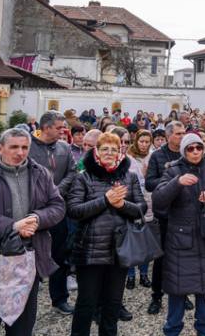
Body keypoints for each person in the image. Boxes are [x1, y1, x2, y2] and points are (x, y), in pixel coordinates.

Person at [153, 132, 205, 336]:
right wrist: (178, 182)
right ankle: (172, 328)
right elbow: (158, 201)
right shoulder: (173, 170)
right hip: (181, 238)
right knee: (177, 288)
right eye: (190, 148)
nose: (196, 151)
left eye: (199, 147)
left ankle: (204, 328)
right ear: (183, 150)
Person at [67, 132, 146, 336]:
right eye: (104, 149)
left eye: (114, 148)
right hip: (91, 251)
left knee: (112, 304)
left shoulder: (130, 177)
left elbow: (141, 208)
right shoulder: (83, 177)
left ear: (120, 151)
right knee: (86, 303)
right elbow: (74, 210)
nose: (109, 153)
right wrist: (105, 200)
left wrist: (122, 205)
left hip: (120, 250)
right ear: (96, 152)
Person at [0, 128, 66, 336]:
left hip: (28, 259)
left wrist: (37, 218)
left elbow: (58, 206)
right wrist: (12, 226)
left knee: (22, 326)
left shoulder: (40, 172)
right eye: (14, 147)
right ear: (0, 148)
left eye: (25, 147)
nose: (20, 152)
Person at [28, 110, 77, 315]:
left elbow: (72, 172)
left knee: (59, 255)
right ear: (46, 128)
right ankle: (27, 300)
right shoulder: (27, 147)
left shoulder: (64, 148)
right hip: (33, 211)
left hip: (58, 210)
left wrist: (57, 190)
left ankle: (59, 298)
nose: (62, 131)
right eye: (58, 128)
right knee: (30, 256)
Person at [144, 121, 187, 316]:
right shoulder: (157, 156)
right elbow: (150, 183)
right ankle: (157, 296)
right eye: (178, 134)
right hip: (164, 214)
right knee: (161, 258)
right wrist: (172, 182)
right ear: (169, 135)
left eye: (183, 133)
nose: (182, 136)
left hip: (185, 212)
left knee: (184, 256)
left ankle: (183, 293)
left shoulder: (188, 153)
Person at [126, 130, 155, 289]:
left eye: (147, 142)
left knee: (146, 241)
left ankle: (144, 274)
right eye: (141, 141)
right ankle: (130, 275)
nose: (144, 145)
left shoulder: (153, 156)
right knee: (132, 240)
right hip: (134, 200)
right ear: (136, 141)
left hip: (149, 200)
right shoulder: (129, 157)